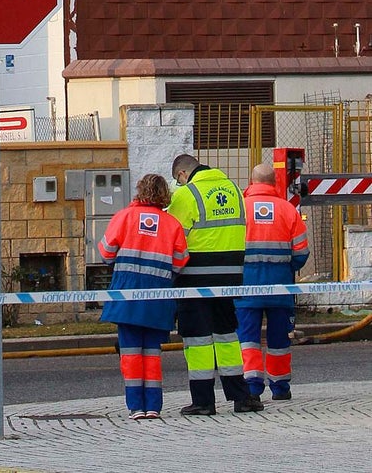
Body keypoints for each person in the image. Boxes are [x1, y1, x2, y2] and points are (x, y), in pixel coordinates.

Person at [169, 153, 263, 414]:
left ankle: (203, 401)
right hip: (230, 276)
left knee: (197, 338)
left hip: (194, 277)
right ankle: (242, 397)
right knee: (227, 336)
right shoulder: (233, 188)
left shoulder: (186, 195)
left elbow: (175, 236)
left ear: (182, 174)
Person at [98, 174, 189, 419]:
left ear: (140, 191)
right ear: (164, 195)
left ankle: (135, 406)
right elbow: (180, 262)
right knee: (152, 354)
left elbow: (106, 252)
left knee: (130, 354)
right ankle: (153, 407)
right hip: (158, 299)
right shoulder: (172, 224)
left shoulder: (124, 217)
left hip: (126, 296)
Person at [236, 163, 309, 401]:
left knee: (248, 339)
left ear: (251, 181)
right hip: (280, 286)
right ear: (274, 183)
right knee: (279, 341)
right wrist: (287, 270)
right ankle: (280, 387)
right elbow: (301, 252)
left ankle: (252, 386)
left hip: (246, 287)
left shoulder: (241, 209)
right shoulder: (288, 210)